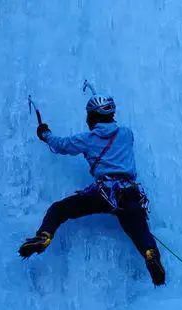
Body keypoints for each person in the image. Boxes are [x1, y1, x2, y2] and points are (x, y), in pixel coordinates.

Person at [18, 94, 166, 286]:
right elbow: (113, 131)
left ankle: (44, 236)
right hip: (129, 193)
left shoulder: (87, 139)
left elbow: (61, 145)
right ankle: (150, 253)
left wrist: (44, 133)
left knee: (59, 209)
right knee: (138, 228)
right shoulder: (127, 134)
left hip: (103, 193)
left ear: (92, 117)